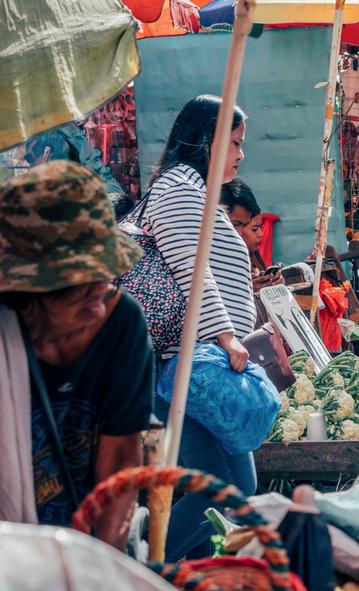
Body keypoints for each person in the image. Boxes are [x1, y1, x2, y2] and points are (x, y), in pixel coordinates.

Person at [128, 95, 258, 561]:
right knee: (232, 488)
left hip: (201, 366)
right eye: (235, 143)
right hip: (188, 366)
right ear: (208, 140)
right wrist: (226, 334)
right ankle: (146, 565)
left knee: (220, 486)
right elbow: (192, 267)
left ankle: (185, 579)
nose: (241, 155)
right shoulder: (181, 189)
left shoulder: (194, 190)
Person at [0, 161, 152, 546]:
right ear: (29, 288)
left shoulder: (122, 325)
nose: (100, 287)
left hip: (90, 539)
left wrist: (102, 569)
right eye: (79, 278)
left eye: (104, 270)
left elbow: (120, 461)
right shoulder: (6, 334)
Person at [220, 178, 284, 293]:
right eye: (236, 224)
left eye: (243, 225)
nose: (261, 234)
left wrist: (274, 283)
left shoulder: (251, 260)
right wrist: (246, 289)